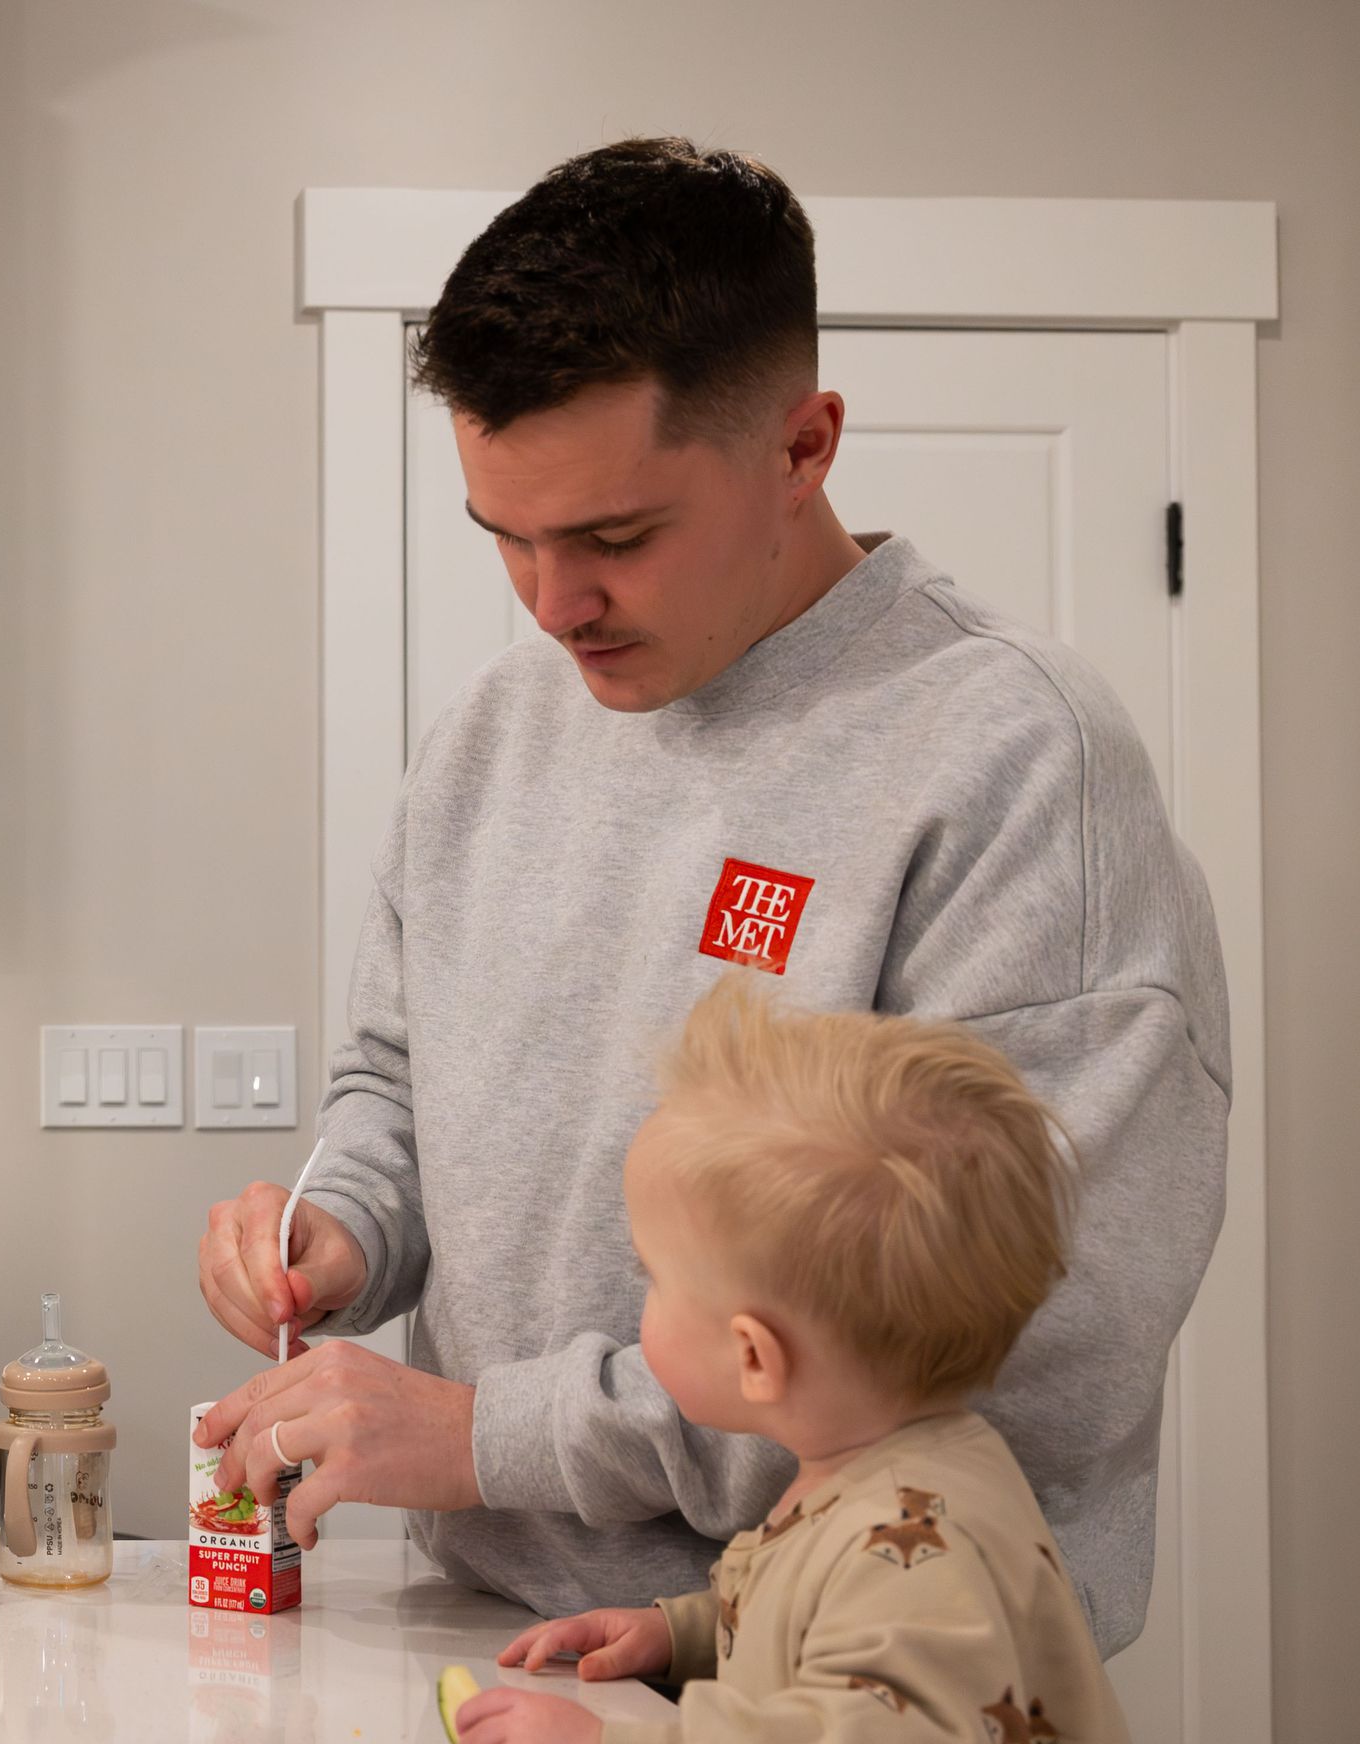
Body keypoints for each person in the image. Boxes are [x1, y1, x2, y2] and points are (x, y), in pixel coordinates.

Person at [193, 138, 1228, 1647]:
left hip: (855, 1687)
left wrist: (493, 1435)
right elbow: (398, 1078)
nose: (555, 608)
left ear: (803, 448)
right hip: (490, 1638)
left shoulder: (1013, 759)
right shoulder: (496, 734)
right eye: (510, 540)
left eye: (615, 539)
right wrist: (347, 1222)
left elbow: (1023, 1346)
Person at [447, 975, 1198, 1744]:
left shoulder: (921, 1524)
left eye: (654, 1277)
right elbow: (830, 1613)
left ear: (755, 1357)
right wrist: (684, 1630)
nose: (641, 1301)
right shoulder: (881, 1475)